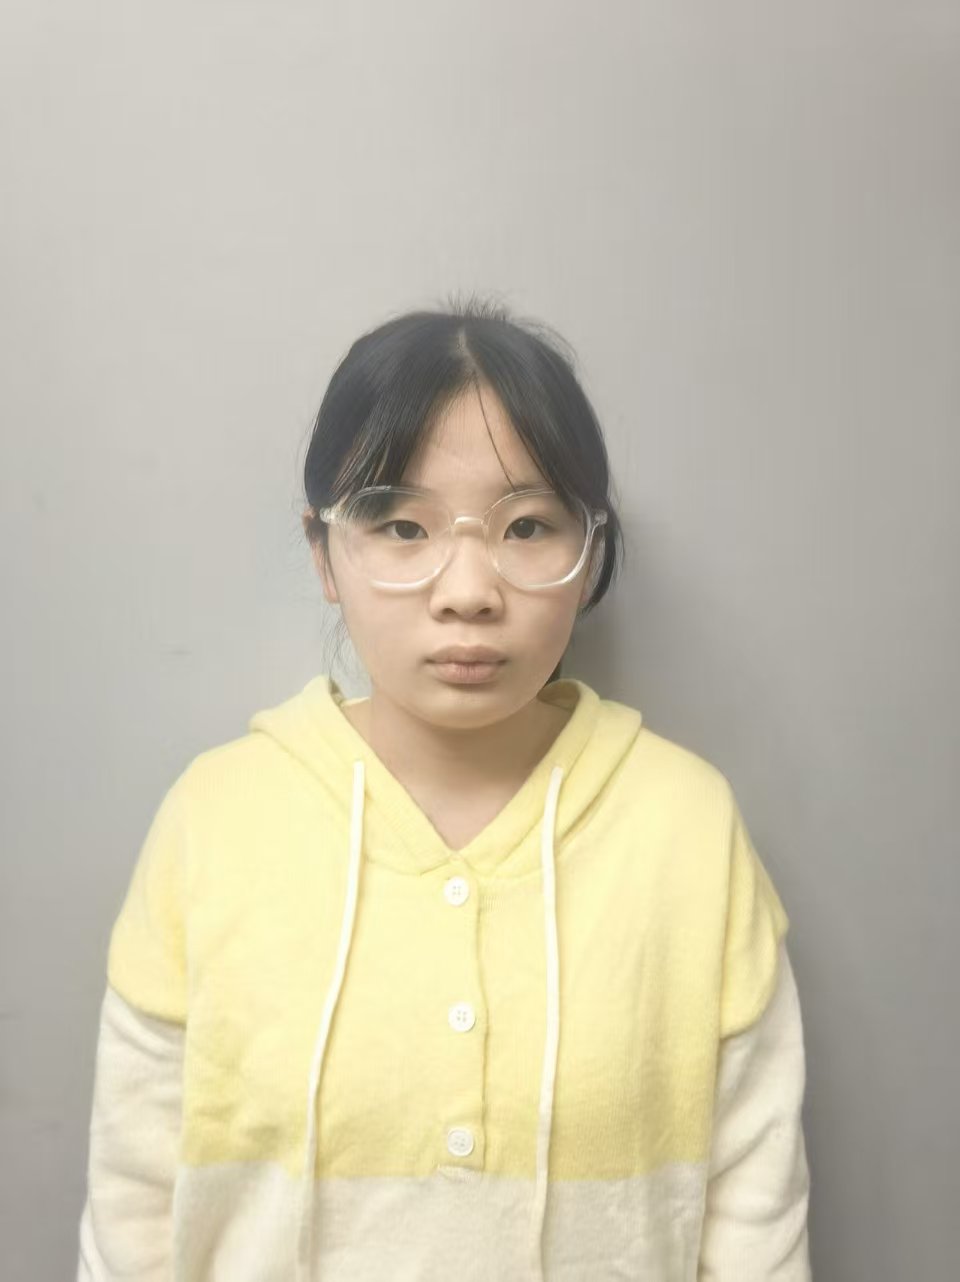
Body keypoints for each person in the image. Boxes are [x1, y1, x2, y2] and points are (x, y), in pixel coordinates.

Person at [76, 297, 812, 1281]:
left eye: (527, 525)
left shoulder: (686, 827)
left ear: (589, 550)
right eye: (402, 525)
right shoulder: (213, 821)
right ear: (324, 552)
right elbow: (131, 1211)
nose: (468, 591)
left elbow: (756, 1217)